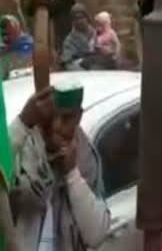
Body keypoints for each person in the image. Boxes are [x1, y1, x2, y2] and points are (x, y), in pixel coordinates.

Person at [10, 80, 110, 250]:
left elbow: (96, 235)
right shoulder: (22, 148)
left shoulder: (85, 157)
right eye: (49, 119)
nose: (56, 126)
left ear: (78, 116)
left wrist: (72, 175)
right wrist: (22, 123)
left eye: (65, 118)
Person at [60, 5, 95, 71]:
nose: (79, 21)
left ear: (87, 18)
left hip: (100, 73)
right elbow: (67, 63)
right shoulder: (69, 41)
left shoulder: (97, 34)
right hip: (80, 74)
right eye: (76, 18)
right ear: (73, 21)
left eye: (82, 17)